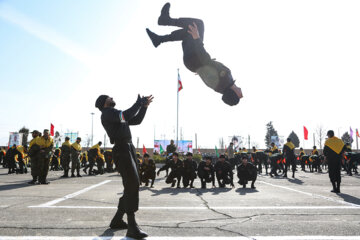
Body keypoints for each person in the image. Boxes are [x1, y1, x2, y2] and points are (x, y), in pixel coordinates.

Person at [146, 3, 243, 106]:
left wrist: (197, 39)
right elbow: (208, 69)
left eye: (240, 96)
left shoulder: (224, 82)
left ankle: (165, 22)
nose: (242, 94)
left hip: (195, 57)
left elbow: (206, 61)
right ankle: (160, 38)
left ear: (234, 94)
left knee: (197, 25)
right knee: (189, 33)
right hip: (194, 60)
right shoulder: (227, 83)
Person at [95, 94, 153, 239]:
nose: (112, 97)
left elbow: (137, 120)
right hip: (121, 149)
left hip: (128, 148)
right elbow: (126, 115)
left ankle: (117, 220)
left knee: (131, 184)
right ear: (104, 103)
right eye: (109, 97)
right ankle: (132, 227)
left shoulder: (117, 116)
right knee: (132, 184)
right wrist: (138, 103)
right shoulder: (108, 113)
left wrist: (144, 107)